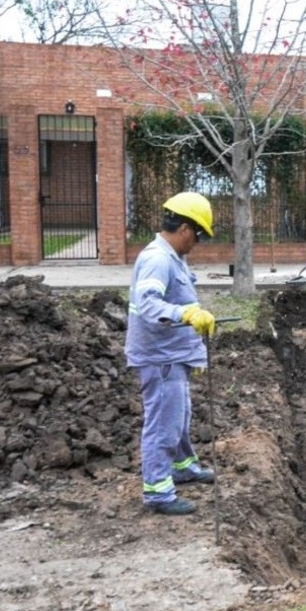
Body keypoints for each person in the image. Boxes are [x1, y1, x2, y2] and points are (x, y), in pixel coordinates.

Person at [125, 191, 219, 516]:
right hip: (160, 358)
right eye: (197, 236)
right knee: (163, 424)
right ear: (184, 229)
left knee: (179, 416)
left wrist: (193, 345)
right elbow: (150, 303)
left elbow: (180, 299)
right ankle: (158, 492)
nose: (197, 244)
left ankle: (183, 467)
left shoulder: (174, 257)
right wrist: (187, 316)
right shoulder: (158, 259)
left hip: (174, 355)